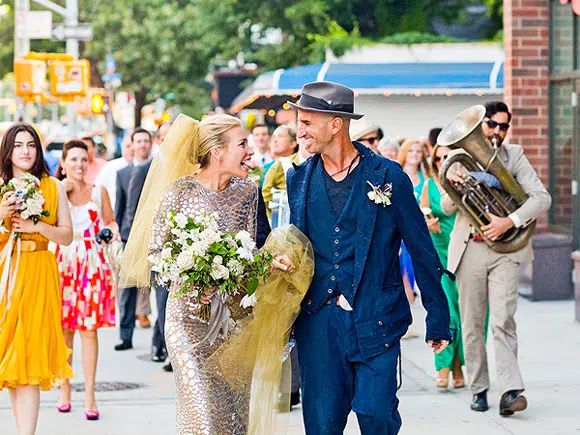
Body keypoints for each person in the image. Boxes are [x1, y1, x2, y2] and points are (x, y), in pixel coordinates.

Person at [287, 81, 452, 434]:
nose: (299, 131)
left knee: (377, 415)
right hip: (318, 323)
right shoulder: (298, 179)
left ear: (336, 124)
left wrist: (438, 318)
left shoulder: (389, 177)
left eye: (306, 122)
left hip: (376, 317)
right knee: (322, 424)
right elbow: (297, 250)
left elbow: (421, 250)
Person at [119, 114, 281, 434]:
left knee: (234, 419)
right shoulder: (178, 192)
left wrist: (269, 264)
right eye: (242, 144)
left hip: (235, 321)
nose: (249, 152)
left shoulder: (248, 192)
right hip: (187, 320)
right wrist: (193, 278)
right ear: (218, 151)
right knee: (203, 414)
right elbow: (156, 251)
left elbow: (249, 249)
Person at [441, 101, 552, 415]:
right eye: (492, 124)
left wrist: (511, 220)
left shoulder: (513, 155)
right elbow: (448, 208)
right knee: (472, 323)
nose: (497, 132)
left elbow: (542, 198)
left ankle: (510, 391)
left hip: (506, 249)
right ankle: (479, 389)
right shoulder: (457, 158)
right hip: (470, 248)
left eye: (504, 127)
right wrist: (458, 183)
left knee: (503, 320)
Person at [0, 122, 74, 434]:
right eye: (18, 145)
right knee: (14, 357)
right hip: (7, 274)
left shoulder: (53, 187)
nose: (25, 151)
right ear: (8, 150)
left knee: (29, 360)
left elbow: (67, 236)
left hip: (40, 273)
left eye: (31, 144)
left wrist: (37, 227)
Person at [54, 140, 118, 421]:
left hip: (91, 264)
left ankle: (90, 392)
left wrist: (109, 232)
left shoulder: (98, 191)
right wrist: (60, 190)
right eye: (73, 160)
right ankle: (65, 387)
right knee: (64, 331)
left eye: (83, 160)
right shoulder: (55, 192)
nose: (79, 165)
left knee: (89, 331)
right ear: (64, 164)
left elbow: (111, 222)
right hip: (63, 263)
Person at [420, 144, 465, 389]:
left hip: (462, 250)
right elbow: (422, 213)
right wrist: (429, 221)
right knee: (447, 309)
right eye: (438, 158)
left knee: (464, 310)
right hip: (439, 251)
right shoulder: (428, 185)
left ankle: (459, 362)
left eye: (447, 157)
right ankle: (444, 366)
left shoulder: (463, 182)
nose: (442, 161)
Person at [114, 127, 153, 350]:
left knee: (156, 290)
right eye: (138, 141)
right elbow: (120, 208)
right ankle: (125, 335)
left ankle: (160, 344)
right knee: (127, 289)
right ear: (131, 144)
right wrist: (120, 235)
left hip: (153, 237)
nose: (142, 145)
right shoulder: (122, 173)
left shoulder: (157, 170)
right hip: (129, 237)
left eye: (145, 141)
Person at [397, 139, 428, 338]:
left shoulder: (426, 180)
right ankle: (403, 322)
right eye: (411, 151)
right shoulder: (397, 176)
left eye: (419, 151)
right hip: (400, 236)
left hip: (419, 235)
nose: (415, 154)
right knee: (402, 276)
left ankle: (410, 320)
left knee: (415, 276)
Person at [94, 133, 134, 212]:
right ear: (122, 146)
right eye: (128, 146)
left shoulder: (143, 167)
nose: (131, 150)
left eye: (133, 146)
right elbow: (96, 189)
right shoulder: (110, 167)